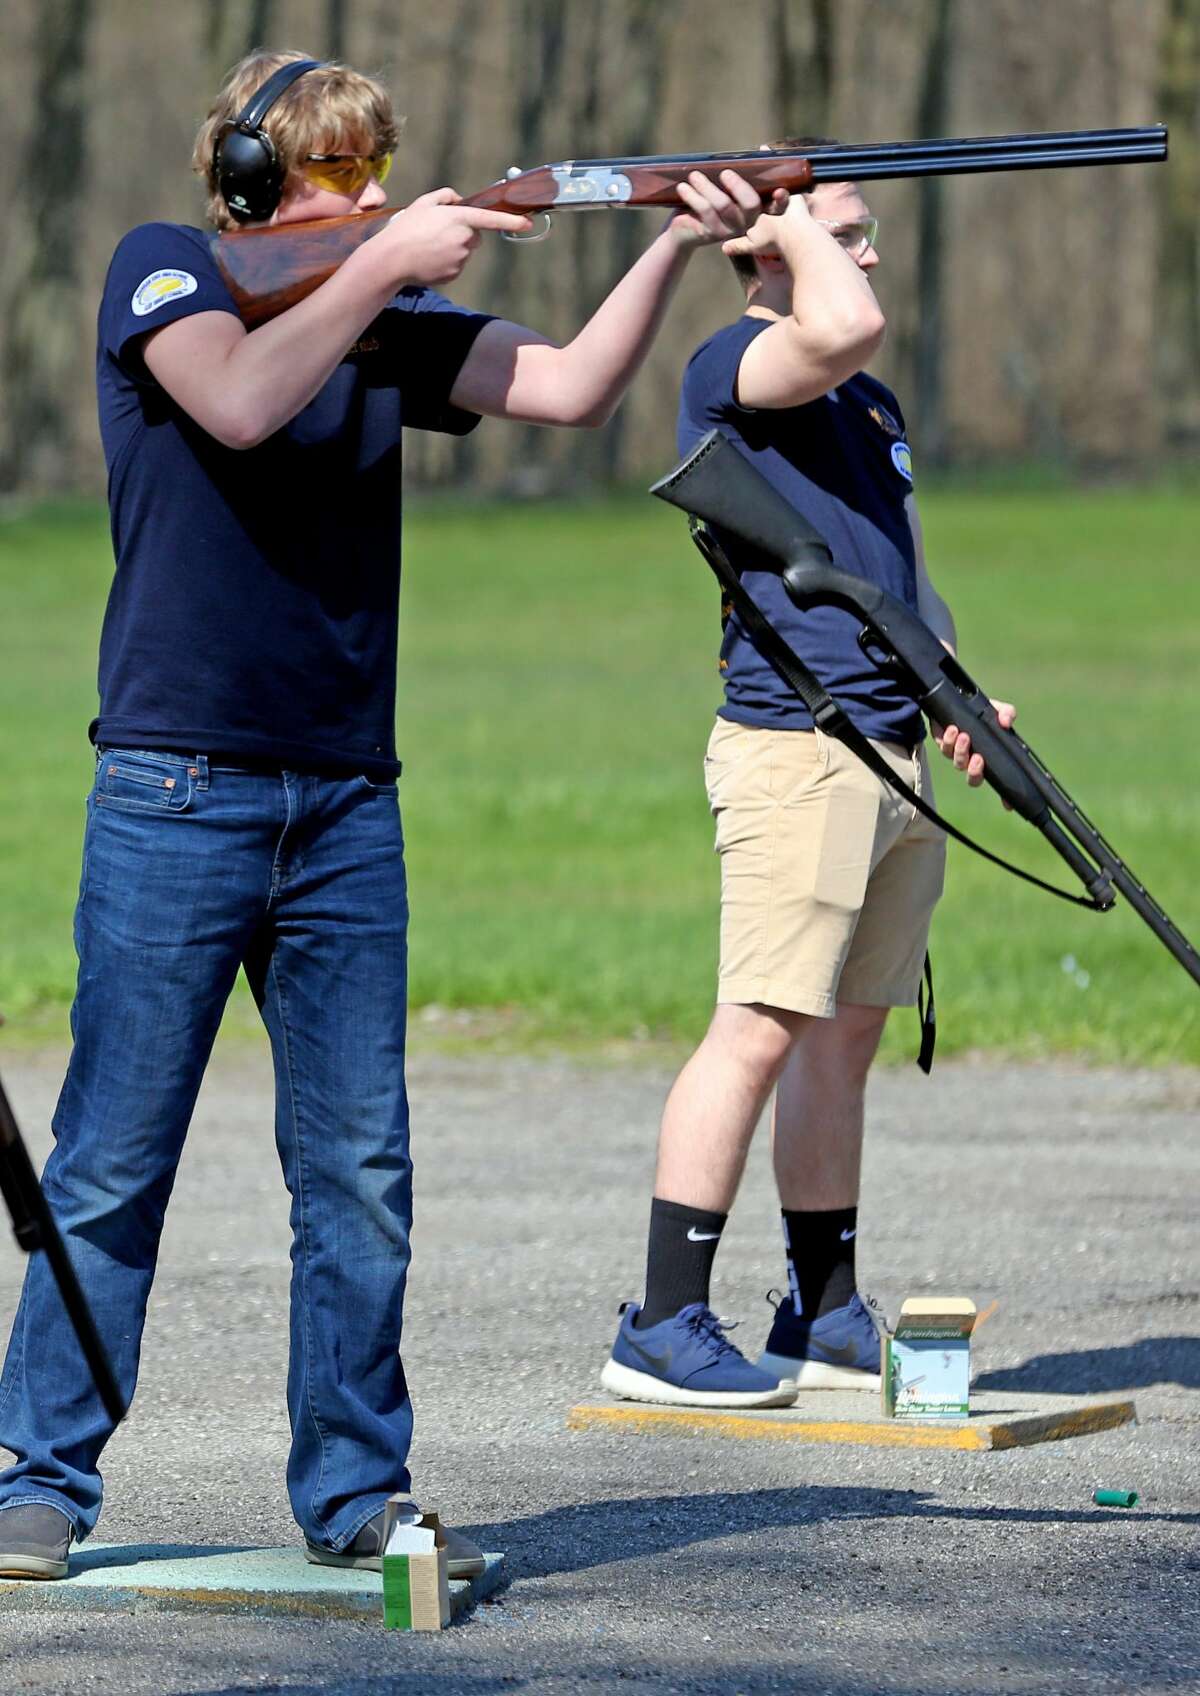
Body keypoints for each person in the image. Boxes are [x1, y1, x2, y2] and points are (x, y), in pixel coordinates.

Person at [0, 50, 777, 1580]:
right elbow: (237, 404)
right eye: (335, 172)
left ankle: (356, 1492)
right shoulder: (166, 272)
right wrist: (386, 266)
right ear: (245, 183)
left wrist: (677, 241)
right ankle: (38, 1478)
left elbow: (568, 388)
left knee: (359, 1175)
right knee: (110, 1164)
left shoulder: (384, 310)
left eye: (376, 170)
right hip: (176, 788)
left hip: (348, 799)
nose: (366, 196)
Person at [602, 147, 1015, 1409]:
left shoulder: (867, 406)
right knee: (758, 1028)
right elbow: (843, 322)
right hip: (800, 747)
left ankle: (821, 1309)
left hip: (892, 749)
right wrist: (784, 226)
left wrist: (958, 694)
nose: (870, 252)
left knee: (847, 1036)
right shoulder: (736, 369)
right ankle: (661, 1321)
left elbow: (901, 573)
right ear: (769, 249)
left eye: (869, 231)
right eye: (847, 231)